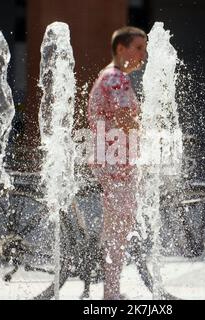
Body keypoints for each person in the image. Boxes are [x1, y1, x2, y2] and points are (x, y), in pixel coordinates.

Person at [87, 26, 147, 300]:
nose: (143, 54)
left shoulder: (113, 77)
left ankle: (110, 288)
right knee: (119, 229)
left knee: (117, 227)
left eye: (144, 48)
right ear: (120, 49)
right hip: (115, 163)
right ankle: (110, 293)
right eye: (138, 47)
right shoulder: (116, 78)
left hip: (114, 159)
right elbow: (124, 119)